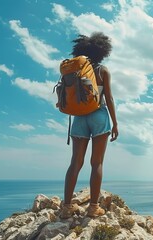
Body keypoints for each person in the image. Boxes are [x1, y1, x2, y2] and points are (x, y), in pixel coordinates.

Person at [60, 32, 118, 219]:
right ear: (102, 52)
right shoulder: (102, 70)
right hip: (99, 116)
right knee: (97, 162)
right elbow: (108, 97)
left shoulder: (76, 71)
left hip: (79, 118)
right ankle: (93, 207)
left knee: (75, 163)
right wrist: (115, 123)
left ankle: (66, 207)